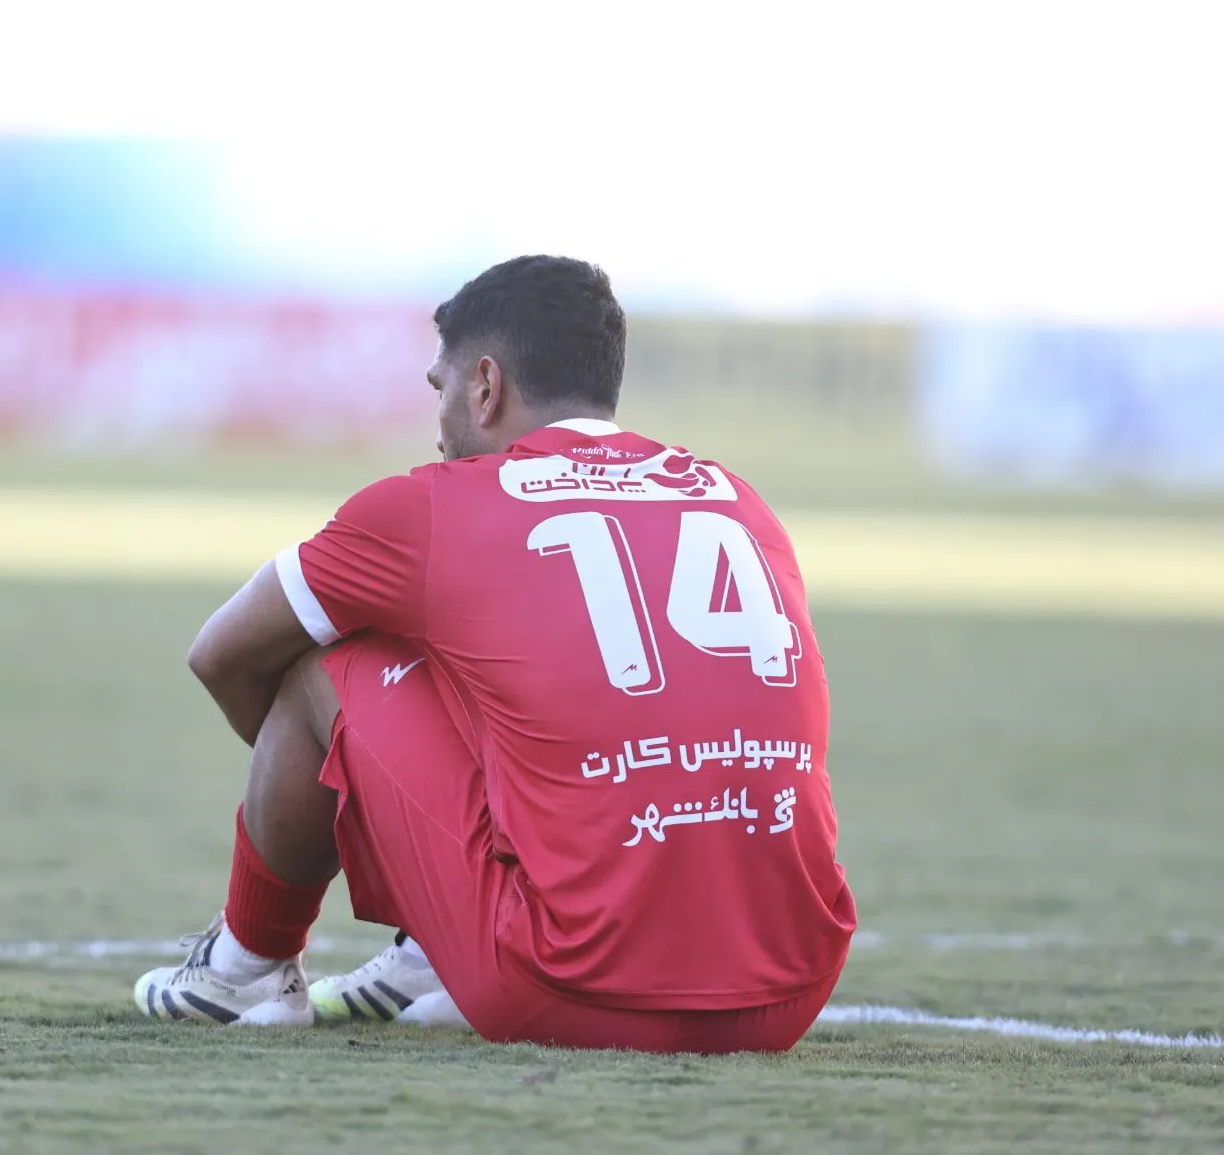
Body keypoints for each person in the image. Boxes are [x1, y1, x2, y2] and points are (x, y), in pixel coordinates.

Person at [133, 255, 856, 1052]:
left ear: (485, 386)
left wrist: (361, 804)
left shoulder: (431, 507)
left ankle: (247, 968)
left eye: (439, 388)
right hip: (791, 991)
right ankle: (431, 951)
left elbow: (223, 654)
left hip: (563, 988)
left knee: (321, 665)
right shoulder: (739, 498)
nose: (438, 423)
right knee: (493, 672)